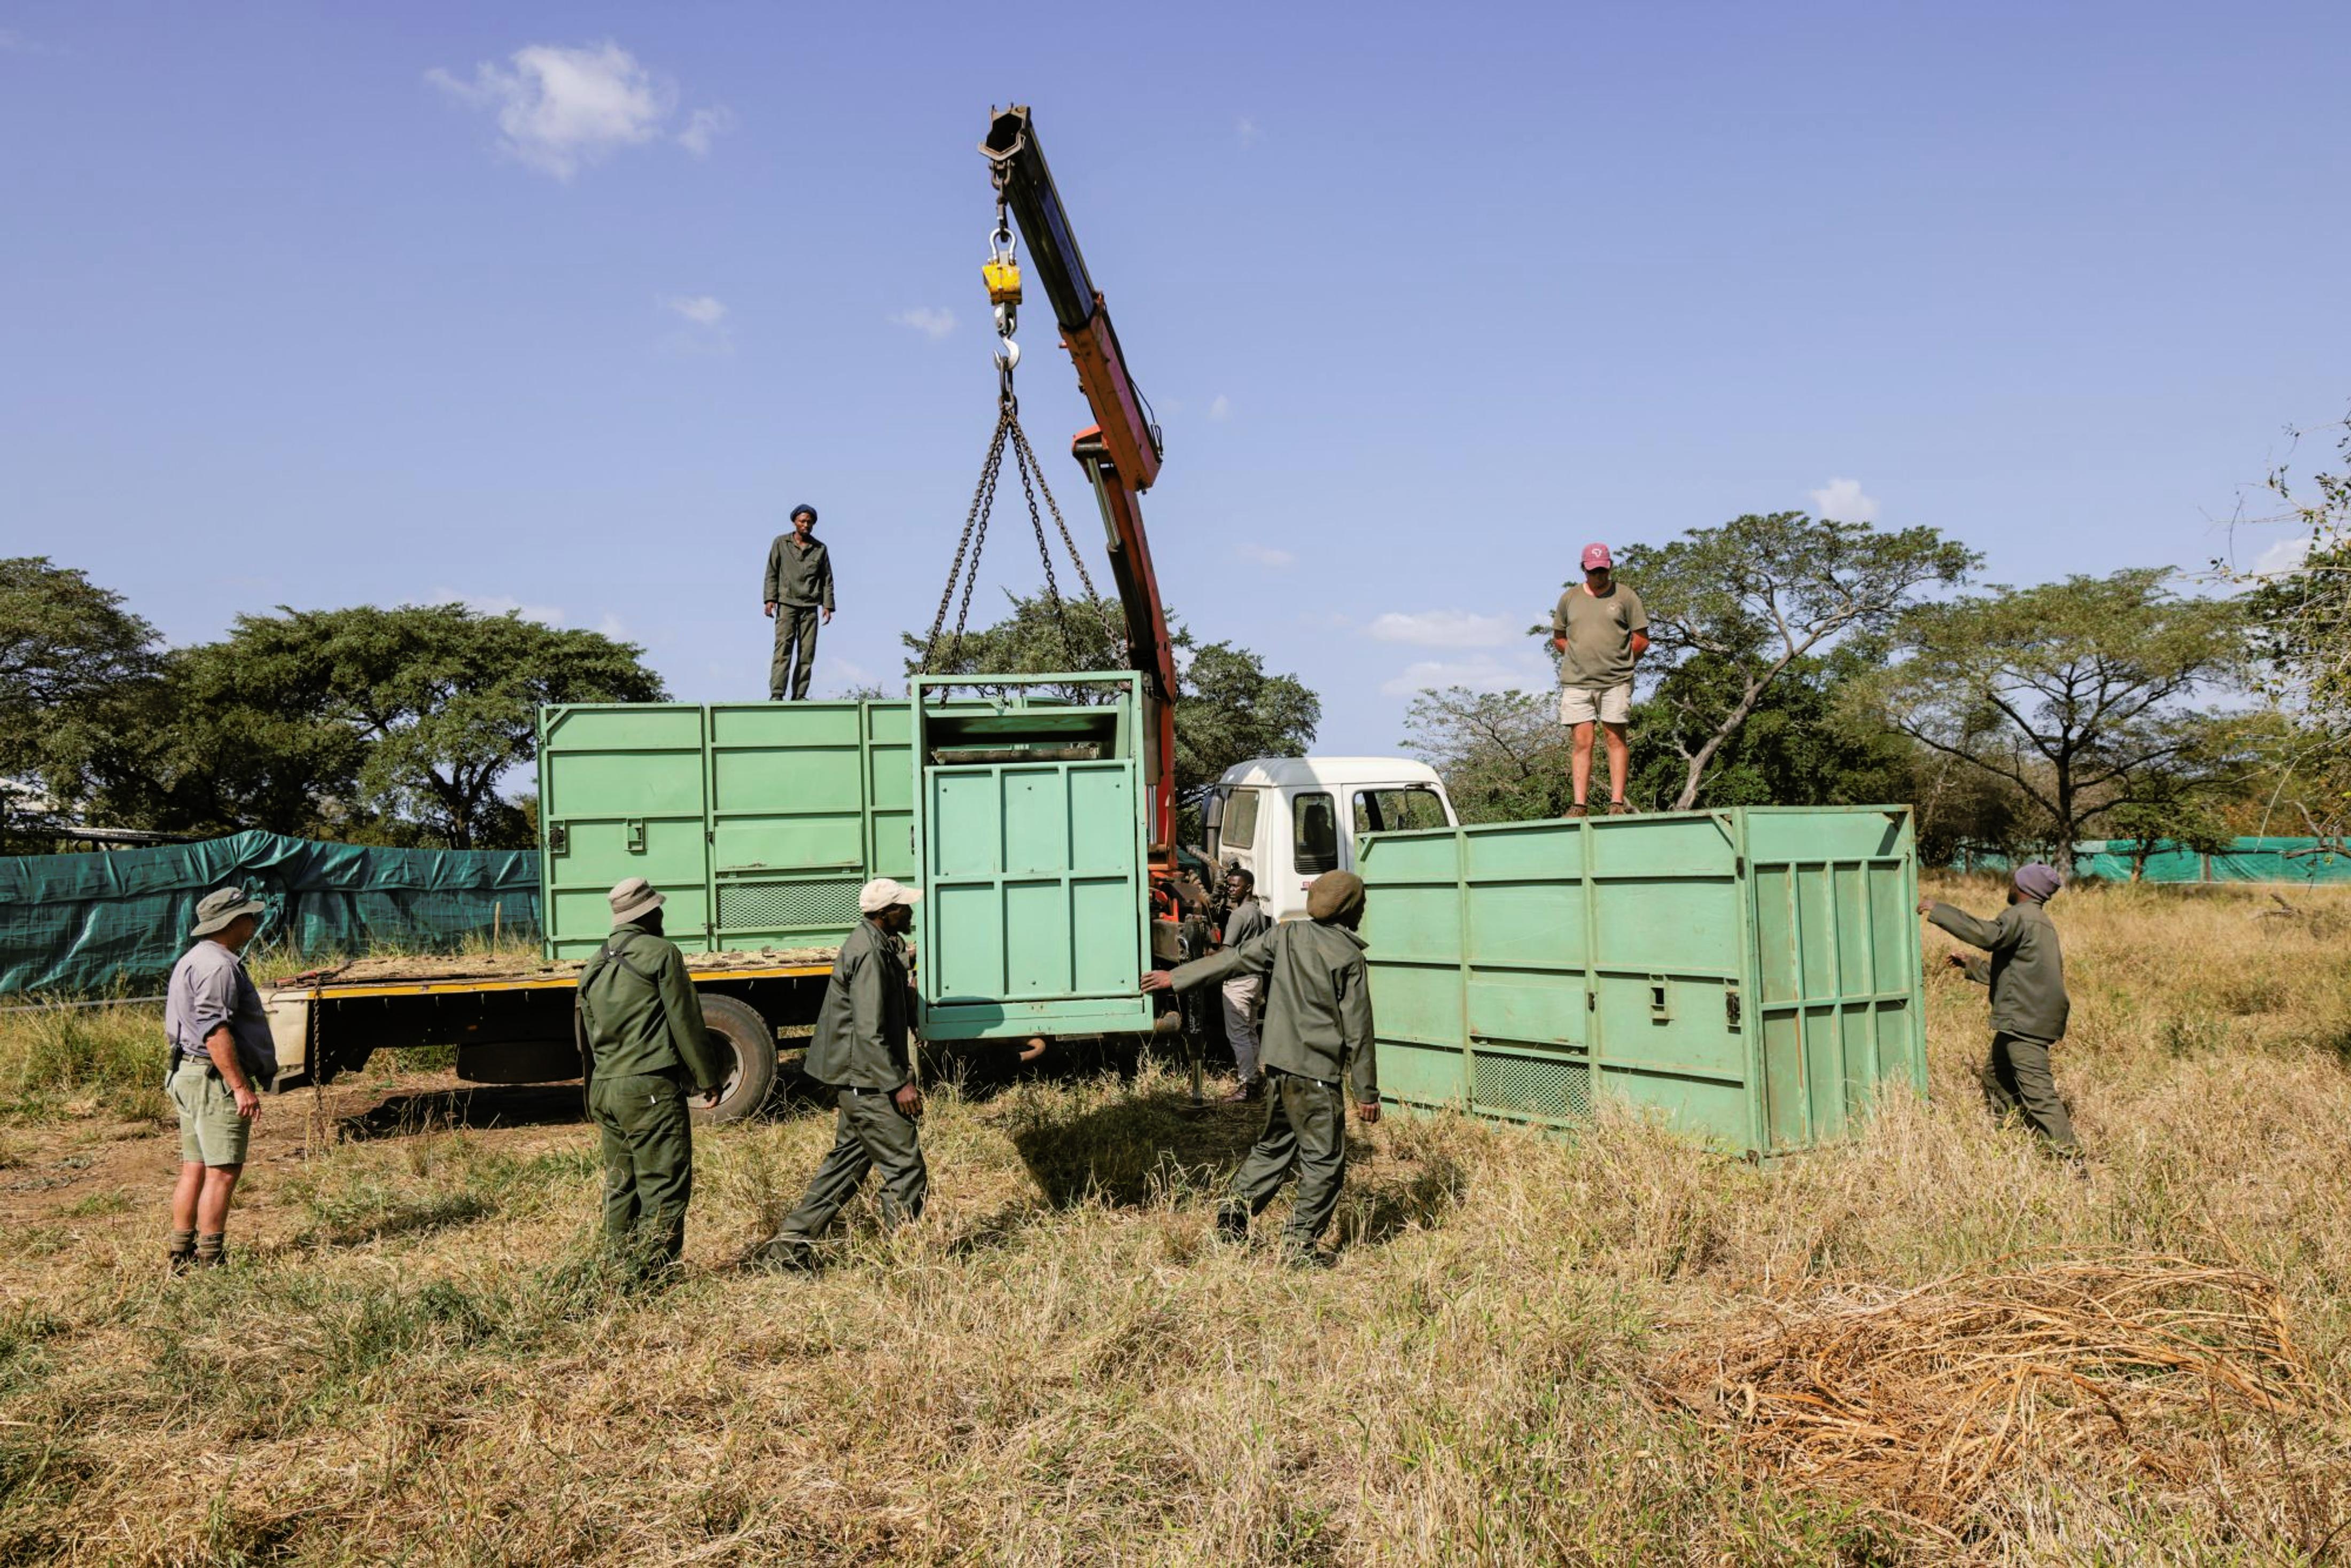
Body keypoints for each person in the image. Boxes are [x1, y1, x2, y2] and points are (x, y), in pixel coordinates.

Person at [1142, 870, 1379, 1267]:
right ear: (1351, 908)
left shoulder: (1285, 936)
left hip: (1280, 1068)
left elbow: (1232, 960)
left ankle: (1232, 1216)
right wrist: (1367, 1092)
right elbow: (1359, 1029)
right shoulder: (1349, 956)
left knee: (1274, 1146)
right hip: (1316, 1074)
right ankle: (1298, 1247)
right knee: (1324, 1162)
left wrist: (1176, 977)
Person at [760, 878, 926, 1267]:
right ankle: (906, 1263)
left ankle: (785, 1251)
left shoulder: (875, 943)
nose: (910, 911)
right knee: (906, 1169)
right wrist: (898, 1083)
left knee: (844, 1168)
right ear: (885, 914)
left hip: (857, 1082)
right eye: (903, 906)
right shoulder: (869, 952)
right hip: (868, 1083)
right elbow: (869, 1030)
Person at [575, 877, 728, 1275]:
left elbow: (585, 1036)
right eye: (660, 909)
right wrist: (707, 1075)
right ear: (651, 913)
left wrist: (595, 1089)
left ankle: (617, 1270)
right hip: (649, 1087)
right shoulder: (661, 953)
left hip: (606, 1088)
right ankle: (652, 1276)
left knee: (621, 1184)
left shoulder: (593, 964)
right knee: (663, 1182)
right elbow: (686, 1020)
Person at [1920, 864, 2081, 1160]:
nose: (2009, 886)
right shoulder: (2037, 921)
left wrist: (1939, 910)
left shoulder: (2021, 916)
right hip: (2026, 1017)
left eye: (2013, 881)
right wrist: (1972, 965)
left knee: (2038, 1093)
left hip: (2026, 1022)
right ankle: (2005, 1134)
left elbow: (1988, 935)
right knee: (1995, 1076)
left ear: (2023, 888)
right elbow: (2020, 975)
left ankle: (2070, 1159)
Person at [162, 885, 278, 1273]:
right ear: (233, 921)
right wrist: (240, 1086)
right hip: (212, 1079)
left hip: (187, 1072)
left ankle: (180, 1252)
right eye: (248, 915)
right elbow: (216, 1030)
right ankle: (211, 1258)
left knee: (194, 1165)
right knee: (223, 1169)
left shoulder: (194, 958)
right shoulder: (220, 966)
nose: (253, 921)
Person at [1550, 542, 1649, 817]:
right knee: (1583, 741)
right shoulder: (1570, 598)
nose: (1599, 576)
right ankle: (1579, 805)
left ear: (1610, 567)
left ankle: (1617, 803)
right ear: (1584, 569)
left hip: (1616, 681)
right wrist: (1577, 657)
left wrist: (1622, 661)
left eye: (1603, 570)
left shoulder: (1626, 597)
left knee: (1614, 738)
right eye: (1593, 571)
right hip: (1578, 682)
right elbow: (1559, 637)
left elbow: (1641, 638)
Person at [764, 503, 835, 701]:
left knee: (807, 654)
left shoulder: (820, 549)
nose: (806, 525)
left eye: (810, 522)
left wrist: (828, 606)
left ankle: (799, 695)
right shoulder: (780, 543)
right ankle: (777, 693)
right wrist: (770, 599)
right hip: (786, 605)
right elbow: (772, 572)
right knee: (783, 649)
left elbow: (827, 579)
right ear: (795, 522)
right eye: (803, 521)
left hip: (810, 607)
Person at [1217, 867, 1270, 1103]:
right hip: (1255, 980)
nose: (1230, 889)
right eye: (1228, 885)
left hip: (1238, 983)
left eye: (1235, 885)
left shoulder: (1238, 916)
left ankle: (1247, 1086)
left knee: (1238, 1036)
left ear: (1248, 887)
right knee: (1250, 1033)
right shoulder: (1257, 912)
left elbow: (1226, 953)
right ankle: (1257, 1082)